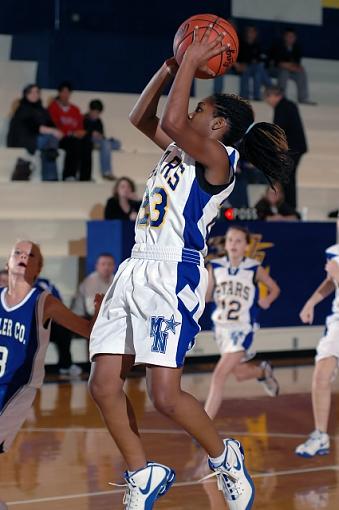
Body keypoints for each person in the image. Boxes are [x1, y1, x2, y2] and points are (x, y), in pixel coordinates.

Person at [89, 26, 291, 510]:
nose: (193, 111)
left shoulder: (218, 159)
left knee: (164, 394)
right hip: (135, 268)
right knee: (102, 385)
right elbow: (143, 115)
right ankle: (142, 474)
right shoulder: (179, 147)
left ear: (219, 126)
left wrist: (190, 61)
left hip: (172, 274)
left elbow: (175, 119)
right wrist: (169, 66)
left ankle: (225, 458)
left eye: (203, 109)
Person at [0, 240, 101, 453]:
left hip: (17, 387)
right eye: (17, 252)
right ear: (8, 263)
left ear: (39, 269)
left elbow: (88, 331)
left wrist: (99, 311)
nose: (23, 257)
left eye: (31, 255)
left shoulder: (43, 301)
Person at [204, 225, 280, 421]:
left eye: (238, 241)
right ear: (225, 244)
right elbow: (206, 297)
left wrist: (267, 300)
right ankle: (263, 371)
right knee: (238, 373)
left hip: (242, 328)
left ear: (247, 245)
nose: (233, 244)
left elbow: (274, 289)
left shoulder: (254, 268)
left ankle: (203, 425)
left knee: (219, 375)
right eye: (230, 240)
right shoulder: (216, 266)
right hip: (221, 329)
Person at [295, 244, 339, 458]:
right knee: (321, 375)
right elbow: (331, 281)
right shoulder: (334, 251)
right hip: (337, 323)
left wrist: (337, 272)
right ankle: (320, 435)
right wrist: (311, 303)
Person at [7, 84, 62, 181]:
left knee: (49, 148)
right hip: (22, 139)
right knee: (50, 143)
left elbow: (50, 123)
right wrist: (53, 131)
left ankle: (51, 177)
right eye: (31, 92)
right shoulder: (22, 108)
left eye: (37, 92)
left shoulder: (42, 109)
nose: (34, 94)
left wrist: (55, 131)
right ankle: (51, 177)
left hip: (39, 139)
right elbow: (33, 127)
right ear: (26, 94)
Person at [264, 85, 307, 209]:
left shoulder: (282, 107)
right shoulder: (288, 105)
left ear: (275, 95)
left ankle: (289, 207)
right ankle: (289, 207)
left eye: (268, 96)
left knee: (286, 179)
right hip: (294, 148)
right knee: (287, 178)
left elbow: (278, 130)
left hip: (292, 150)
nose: (267, 100)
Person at [36, 277, 82, 377]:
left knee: (63, 328)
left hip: (45, 320)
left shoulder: (44, 283)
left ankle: (66, 365)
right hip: (25, 323)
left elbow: (57, 301)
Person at [48, 81, 92, 181]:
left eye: (68, 92)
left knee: (87, 143)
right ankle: (69, 175)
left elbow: (80, 126)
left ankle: (85, 177)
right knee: (73, 143)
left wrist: (81, 132)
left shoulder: (75, 109)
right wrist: (71, 133)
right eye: (63, 92)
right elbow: (54, 125)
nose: (66, 95)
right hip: (60, 138)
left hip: (74, 136)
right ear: (59, 93)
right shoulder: (53, 108)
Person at [269, 28, 314, 105]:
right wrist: (290, 66)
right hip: (274, 70)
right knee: (284, 72)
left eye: (292, 37)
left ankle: (303, 98)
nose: (290, 38)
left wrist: (295, 67)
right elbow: (279, 63)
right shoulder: (278, 46)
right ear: (284, 37)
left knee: (301, 72)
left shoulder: (297, 48)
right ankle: (281, 98)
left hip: (289, 70)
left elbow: (296, 64)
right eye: (288, 36)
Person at [84, 99, 121, 180]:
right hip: (89, 140)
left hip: (99, 141)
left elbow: (102, 134)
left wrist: (100, 136)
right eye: (95, 112)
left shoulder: (98, 121)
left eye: (98, 113)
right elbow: (83, 133)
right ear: (90, 110)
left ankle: (102, 146)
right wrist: (92, 133)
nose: (96, 115)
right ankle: (106, 172)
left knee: (117, 143)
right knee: (106, 144)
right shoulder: (84, 119)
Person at [72, 253, 115, 318]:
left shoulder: (115, 279)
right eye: (103, 264)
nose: (106, 267)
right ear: (97, 266)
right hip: (81, 318)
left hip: (105, 316)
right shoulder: (91, 281)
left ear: (114, 266)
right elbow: (91, 310)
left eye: (109, 264)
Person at [234, 25, 271, 101]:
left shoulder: (258, 45)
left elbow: (262, 59)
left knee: (258, 72)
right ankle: (270, 86)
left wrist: (253, 61)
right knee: (248, 69)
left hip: (255, 68)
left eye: (253, 32)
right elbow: (236, 57)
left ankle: (257, 96)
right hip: (242, 67)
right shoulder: (241, 43)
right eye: (249, 31)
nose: (250, 34)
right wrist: (238, 65)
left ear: (256, 33)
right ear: (246, 33)